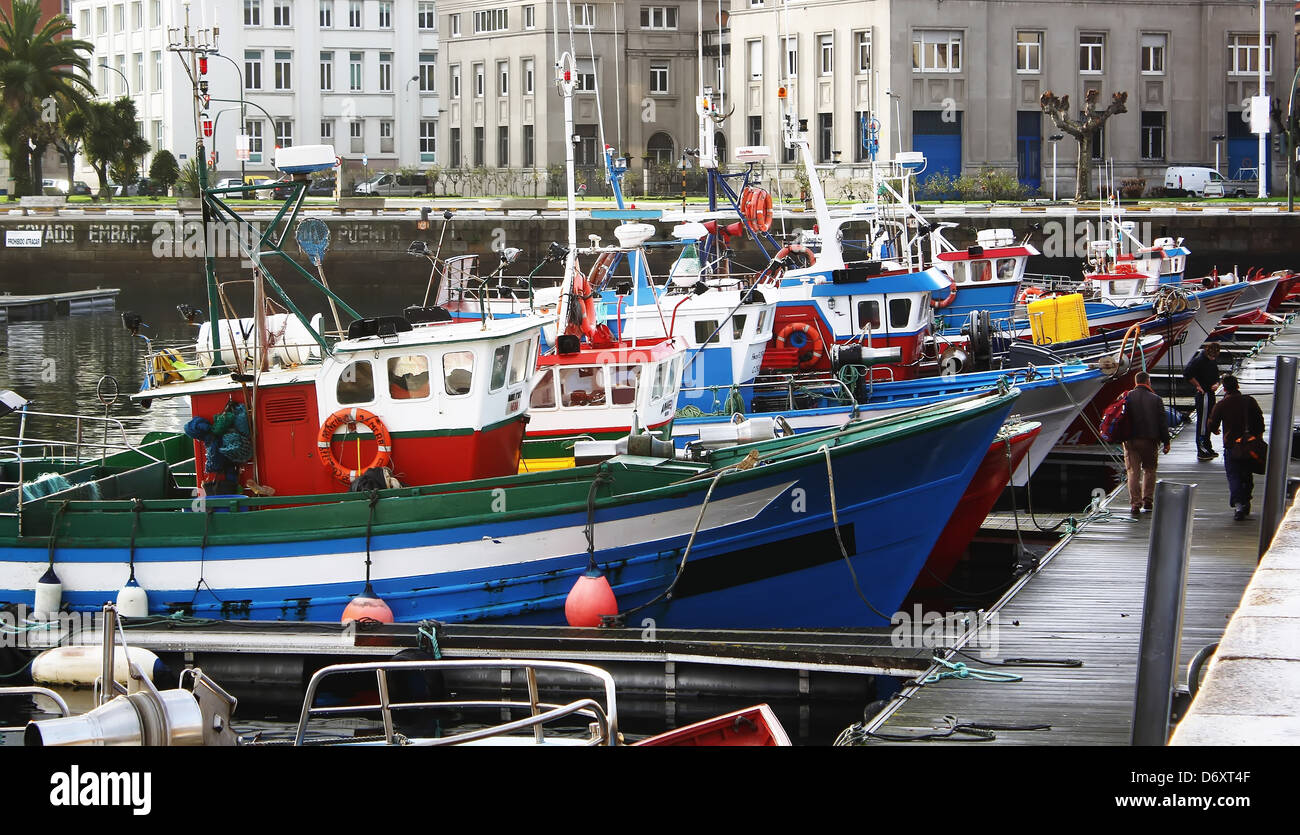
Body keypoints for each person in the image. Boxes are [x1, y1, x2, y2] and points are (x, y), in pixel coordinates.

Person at [1208, 374, 1266, 521]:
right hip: (1250, 445)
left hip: (1232, 446)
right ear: (1237, 386)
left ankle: (1239, 505)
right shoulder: (1249, 401)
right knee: (1247, 474)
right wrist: (1257, 437)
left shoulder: (1222, 404)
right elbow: (1260, 421)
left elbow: (1212, 423)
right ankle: (1246, 500)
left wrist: (1215, 430)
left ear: (1225, 388)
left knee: (1234, 475)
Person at [1123, 371, 1171, 517]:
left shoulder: (1126, 397)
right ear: (1148, 382)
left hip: (1130, 441)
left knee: (1132, 472)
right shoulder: (1156, 399)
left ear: (1135, 382)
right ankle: (1148, 501)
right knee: (1149, 470)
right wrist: (1166, 441)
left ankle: (1135, 504)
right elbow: (1162, 423)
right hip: (1150, 440)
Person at [1182, 342, 1222, 460]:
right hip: (1203, 394)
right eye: (1211, 356)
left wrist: (1216, 383)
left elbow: (1216, 376)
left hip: (1210, 393)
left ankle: (1207, 446)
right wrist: (1198, 386)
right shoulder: (1198, 361)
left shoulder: (1212, 361)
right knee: (1203, 423)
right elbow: (1187, 373)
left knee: (1209, 420)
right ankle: (1201, 449)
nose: (1213, 358)